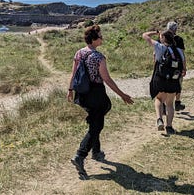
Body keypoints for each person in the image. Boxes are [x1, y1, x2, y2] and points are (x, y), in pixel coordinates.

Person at [67, 24, 134, 178]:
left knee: (95, 119)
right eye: (100, 36)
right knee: (97, 125)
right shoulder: (99, 57)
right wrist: (122, 94)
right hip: (96, 92)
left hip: (82, 92)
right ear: (94, 39)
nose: (102, 38)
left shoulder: (79, 53)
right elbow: (107, 79)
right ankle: (80, 155)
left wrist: (70, 90)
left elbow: (73, 74)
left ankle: (96, 152)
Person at [142, 29, 186, 135]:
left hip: (160, 78)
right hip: (173, 80)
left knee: (159, 99)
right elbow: (183, 64)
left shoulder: (159, 47)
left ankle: (159, 119)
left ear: (163, 38)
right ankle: (169, 127)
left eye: (161, 36)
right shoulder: (178, 50)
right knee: (170, 104)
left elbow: (144, 35)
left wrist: (156, 32)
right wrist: (183, 71)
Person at [166, 21, 187, 111]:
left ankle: (163, 105)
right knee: (178, 84)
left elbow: (156, 54)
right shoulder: (178, 39)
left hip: (165, 67)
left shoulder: (162, 37)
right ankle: (177, 103)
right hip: (177, 67)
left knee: (165, 84)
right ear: (175, 29)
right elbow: (181, 54)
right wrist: (184, 67)